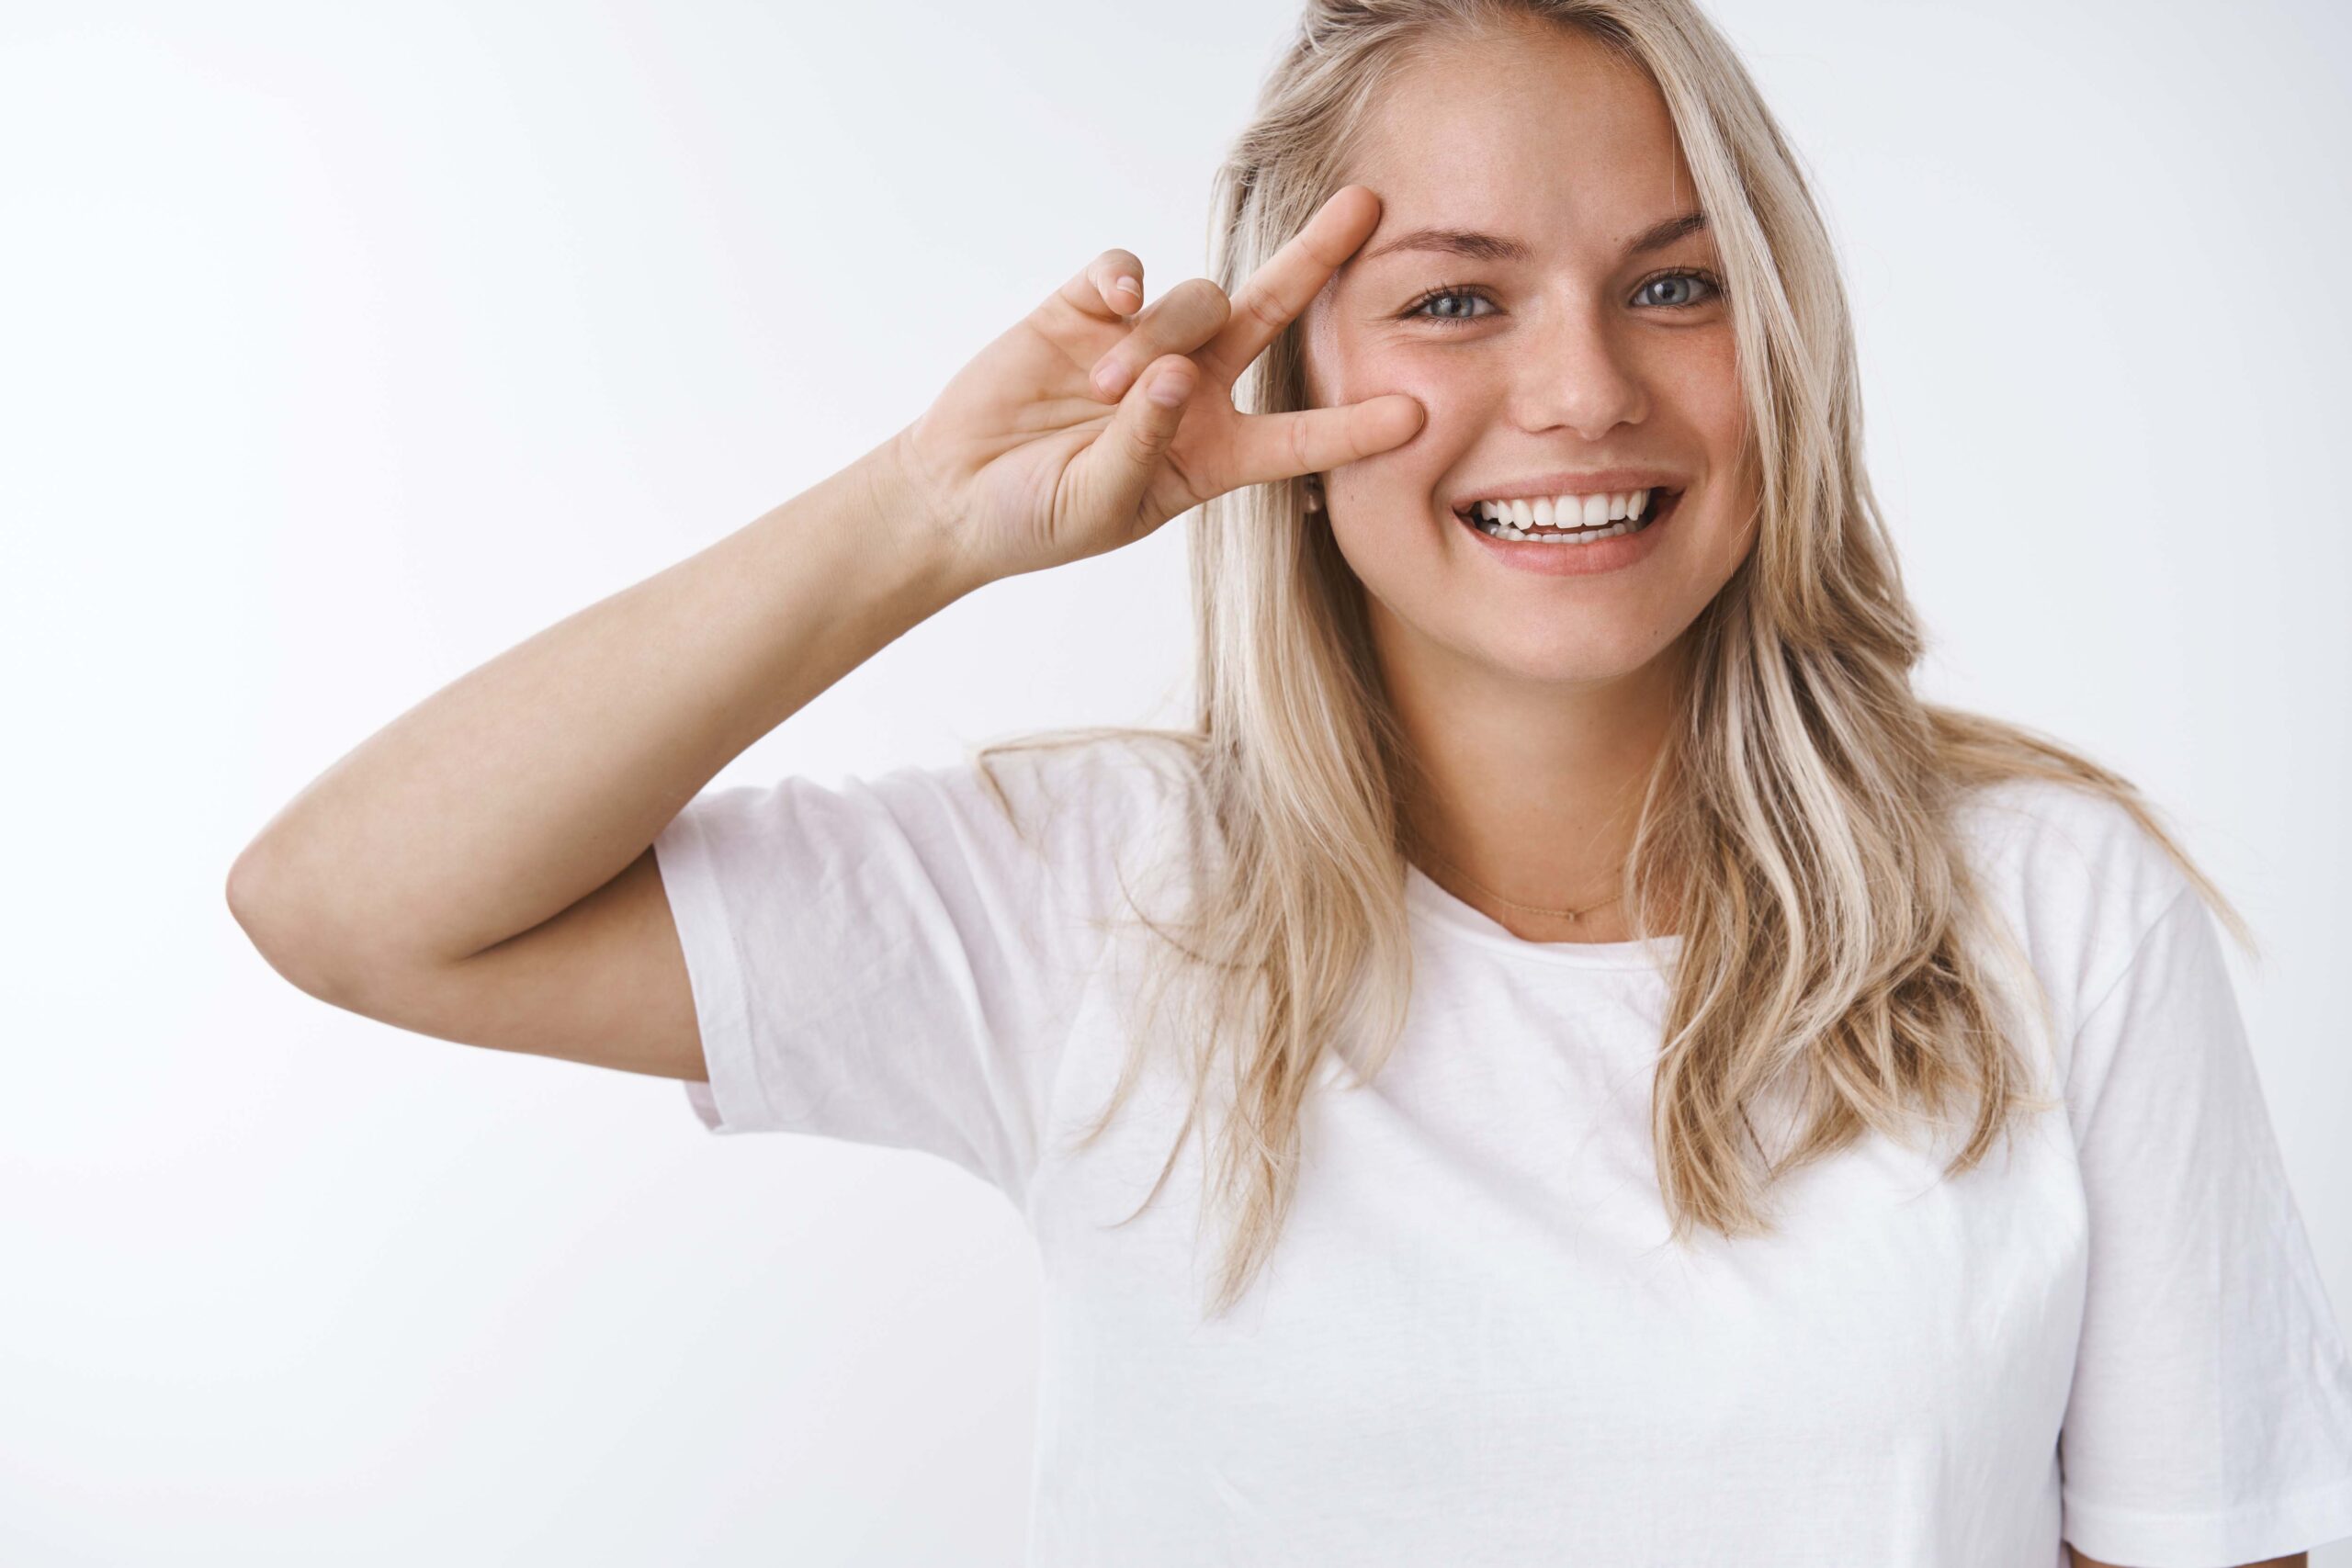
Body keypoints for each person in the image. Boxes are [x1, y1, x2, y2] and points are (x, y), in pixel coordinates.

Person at [225, 0, 2352, 1562]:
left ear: (1778, 337)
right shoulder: (1090, 903)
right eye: (1453, 299)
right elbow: (349, 901)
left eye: (1673, 283)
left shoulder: (2046, 910)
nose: (1580, 389)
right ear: (1284, 372)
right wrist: (919, 517)